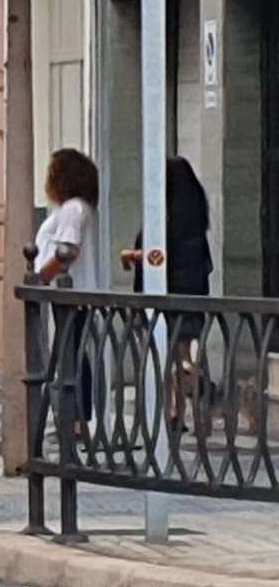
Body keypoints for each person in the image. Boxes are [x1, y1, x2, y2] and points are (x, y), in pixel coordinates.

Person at [122, 156, 213, 426]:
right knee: (183, 360)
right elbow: (205, 265)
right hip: (191, 298)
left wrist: (133, 255)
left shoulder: (165, 222)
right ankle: (189, 409)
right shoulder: (195, 222)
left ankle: (167, 411)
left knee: (159, 358)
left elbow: (158, 257)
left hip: (162, 298)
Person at [34, 149, 102, 426]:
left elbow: (67, 250)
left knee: (72, 355)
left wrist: (41, 276)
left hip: (71, 293)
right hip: (71, 293)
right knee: (70, 354)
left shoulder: (73, 209)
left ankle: (77, 419)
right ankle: (75, 417)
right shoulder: (78, 208)